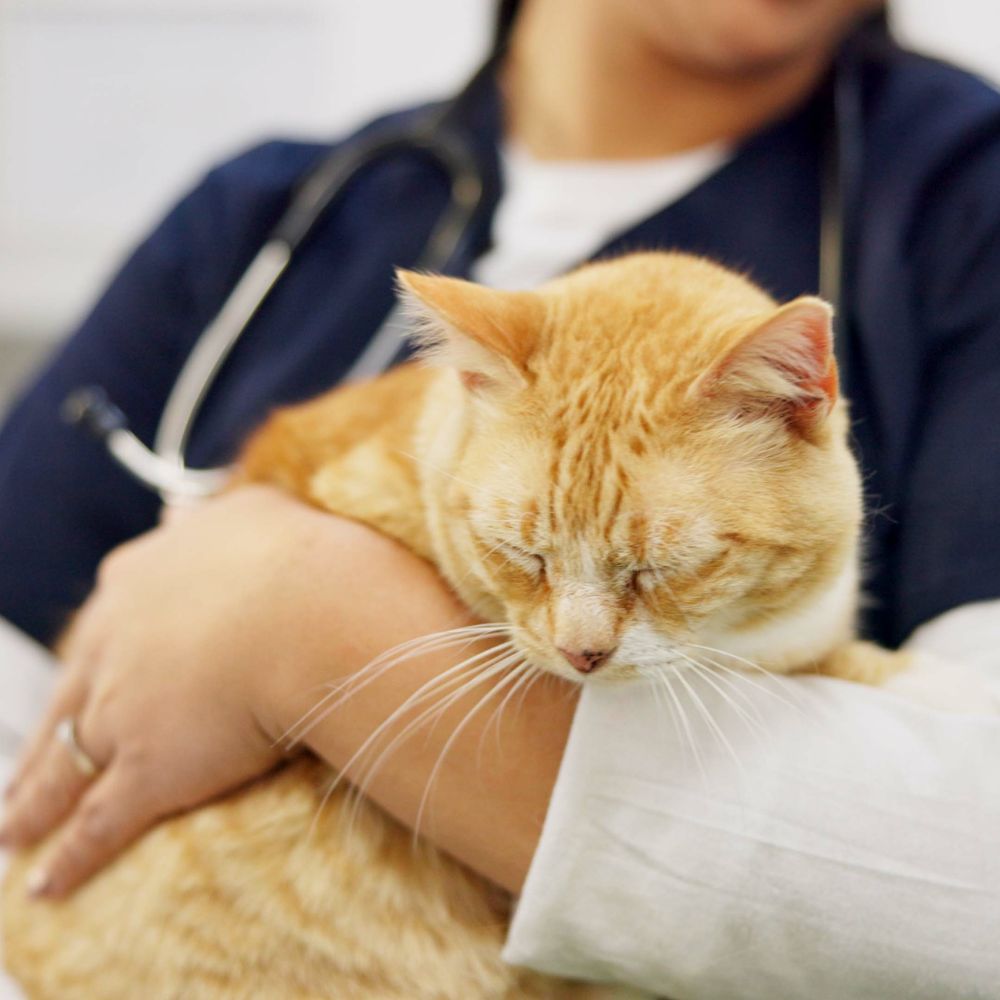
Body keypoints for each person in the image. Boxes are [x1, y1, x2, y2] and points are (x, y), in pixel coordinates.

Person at [2, 0, 1000, 995]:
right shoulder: (265, 211)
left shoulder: (963, 201)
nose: (579, 638)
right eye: (525, 557)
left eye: (667, 563)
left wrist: (301, 620)